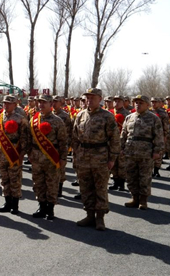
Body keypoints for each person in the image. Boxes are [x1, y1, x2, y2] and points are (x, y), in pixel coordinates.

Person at [72, 88, 120, 231]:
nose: (89, 100)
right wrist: (75, 157)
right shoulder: (80, 115)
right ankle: (89, 215)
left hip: (101, 157)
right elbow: (75, 138)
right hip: (83, 157)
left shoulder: (107, 116)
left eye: (93, 97)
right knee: (85, 188)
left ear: (100, 99)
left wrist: (112, 158)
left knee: (100, 188)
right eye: (87, 97)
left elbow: (115, 139)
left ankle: (100, 218)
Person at [120, 95, 164, 210]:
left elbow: (159, 137)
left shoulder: (154, 118)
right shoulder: (129, 117)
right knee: (131, 176)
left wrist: (157, 151)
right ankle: (134, 198)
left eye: (141, 103)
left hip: (146, 153)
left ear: (147, 105)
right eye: (136, 103)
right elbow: (123, 135)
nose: (137, 105)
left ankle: (143, 200)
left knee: (144, 177)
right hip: (130, 152)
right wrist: (121, 148)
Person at [29, 94, 67, 220]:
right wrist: (29, 153)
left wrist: (63, 158)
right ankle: (41, 207)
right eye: (39, 102)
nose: (41, 105)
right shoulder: (33, 120)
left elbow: (63, 141)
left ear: (51, 104)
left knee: (51, 184)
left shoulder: (57, 121)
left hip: (51, 158)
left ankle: (50, 209)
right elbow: (29, 139)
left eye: (44, 102)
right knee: (38, 183)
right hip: (36, 157)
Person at [0, 95, 30, 214]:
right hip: (2, 153)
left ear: (15, 104)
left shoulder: (20, 118)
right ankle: (7, 203)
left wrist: (22, 154)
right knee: (4, 179)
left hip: (14, 152)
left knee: (15, 179)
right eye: (5, 103)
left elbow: (25, 138)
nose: (6, 105)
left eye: (9, 103)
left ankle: (15, 205)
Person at [108, 95, 130, 191]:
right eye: (115, 101)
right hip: (111, 142)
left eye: (119, 101)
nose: (116, 103)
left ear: (123, 102)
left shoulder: (127, 114)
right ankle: (115, 181)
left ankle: (121, 183)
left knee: (121, 164)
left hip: (121, 142)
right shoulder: (109, 113)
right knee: (113, 163)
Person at [52, 95, 72, 197]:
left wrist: (67, 146)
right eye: (53, 101)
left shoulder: (65, 116)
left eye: (56, 101)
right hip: (48, 146)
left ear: (61, 103)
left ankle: (59, 189)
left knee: (60, 168)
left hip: (60, 145)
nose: (54, 103)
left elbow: (69, 132)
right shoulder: (48, 114)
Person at [150, 97, 170, 177]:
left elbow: (166, 125)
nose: (153, 104)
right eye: (152, 102)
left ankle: (156, 170)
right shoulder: (148, 112)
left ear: (159, 103)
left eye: (155, 102)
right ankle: (150, 170)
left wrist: (165, 135)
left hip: (159, 136)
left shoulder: (163, 113)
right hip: (150, 136)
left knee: (159, 153)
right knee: (149, 153)